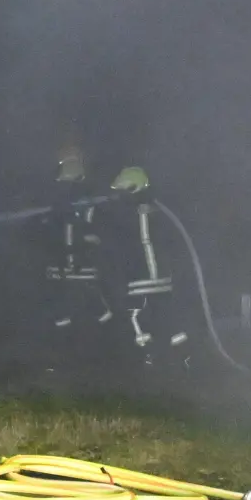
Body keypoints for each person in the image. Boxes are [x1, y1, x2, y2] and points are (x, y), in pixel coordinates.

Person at [103, 166, 190, 365]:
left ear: (133, 188)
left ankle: (150, 356)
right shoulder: (149, 209)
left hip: (143, 277)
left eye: (121, 191)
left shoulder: (140, 211)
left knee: (136, 315)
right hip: (159, 278)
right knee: (167, 317)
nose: (117, 196)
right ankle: (184, 357)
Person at [43, 146, 115, 335]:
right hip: (65, 271)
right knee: (69, 320)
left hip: (80, 270)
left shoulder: (89, 203)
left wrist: (88, 238)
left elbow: (100, 232)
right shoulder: (55, 206)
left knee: (93, 318)